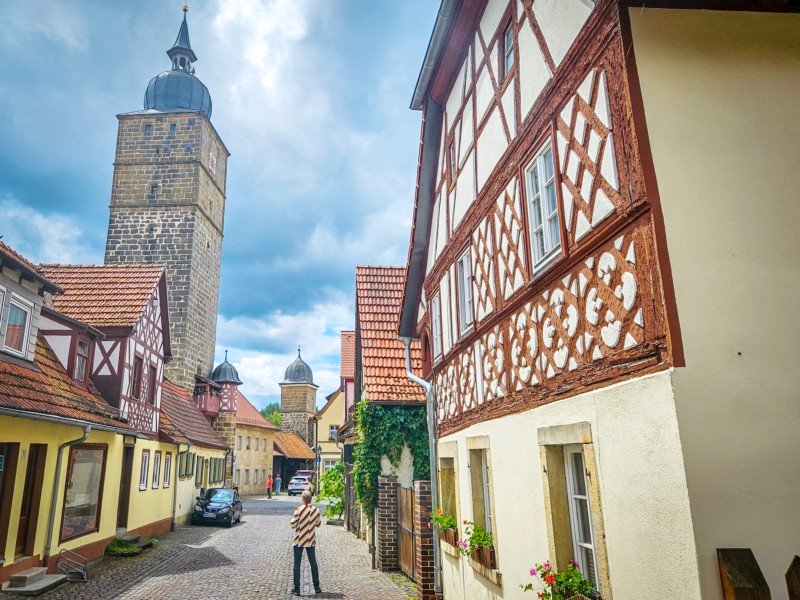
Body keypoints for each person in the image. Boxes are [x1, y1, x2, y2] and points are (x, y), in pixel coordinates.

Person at [289, 490, 321, 595]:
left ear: (303, 499)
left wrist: (297, 517)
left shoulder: (298, 510)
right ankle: (317, 587)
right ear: (311, 498)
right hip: (310, 540)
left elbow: (293, 525)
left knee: (297, 565)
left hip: (299, 540)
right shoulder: (316, 510)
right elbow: (318, 524)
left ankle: (297, 588)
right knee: (313, 563)